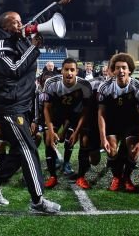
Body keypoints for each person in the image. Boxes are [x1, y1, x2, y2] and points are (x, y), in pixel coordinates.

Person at [0, 0, 75, 214]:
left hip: (19, 104)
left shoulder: (19, 36)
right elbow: (13, 70)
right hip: (7, 105)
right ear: (4, 27)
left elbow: (38, 18)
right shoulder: (0, 47)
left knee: (19, 150)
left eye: (20, 21)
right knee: (27, 148)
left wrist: (60, 3)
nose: (20, 24)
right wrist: (33, 49)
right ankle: (38, 201)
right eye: (14, 22)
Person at [97, 53, 139, 192]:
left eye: (124, 67)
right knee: (112, 150)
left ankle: (126, 178)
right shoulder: (105, 87)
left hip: (131, 123)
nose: (120, 70)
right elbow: (101, 113)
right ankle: (116, 177)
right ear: (113, 70)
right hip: (113, 122)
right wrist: (103, 138)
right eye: (117, 67)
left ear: (130, 70)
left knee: (133, 151)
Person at [41, 58, 93, 188]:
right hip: (57, 114)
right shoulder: (51, 83)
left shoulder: (85, 85)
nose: (69, 73)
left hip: (76, 115)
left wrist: (76, 132)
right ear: (61, 70)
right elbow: (46, 108)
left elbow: (85, 112)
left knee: (85, 140)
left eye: (72, 70)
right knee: (48, 139)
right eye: (66, 69)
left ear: (77, 71)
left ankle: (81, 177)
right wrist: (52, 131)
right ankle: (53, 176)